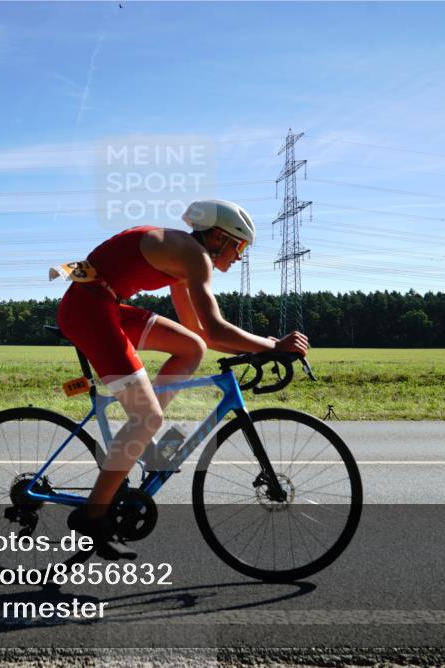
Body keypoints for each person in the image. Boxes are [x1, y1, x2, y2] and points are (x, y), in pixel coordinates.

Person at [54, 199, 309, 559]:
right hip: (89, 311)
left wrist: (260, 348)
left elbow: (201, 334)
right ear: (219, 237)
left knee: (191, 348)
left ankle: (142, 435)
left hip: (103, 304)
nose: (240, 257)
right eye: (239, 247)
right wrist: (273, 345)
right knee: (147, 417)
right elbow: (216, 328)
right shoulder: (195, 256)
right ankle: (92, 515)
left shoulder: (184, 259)